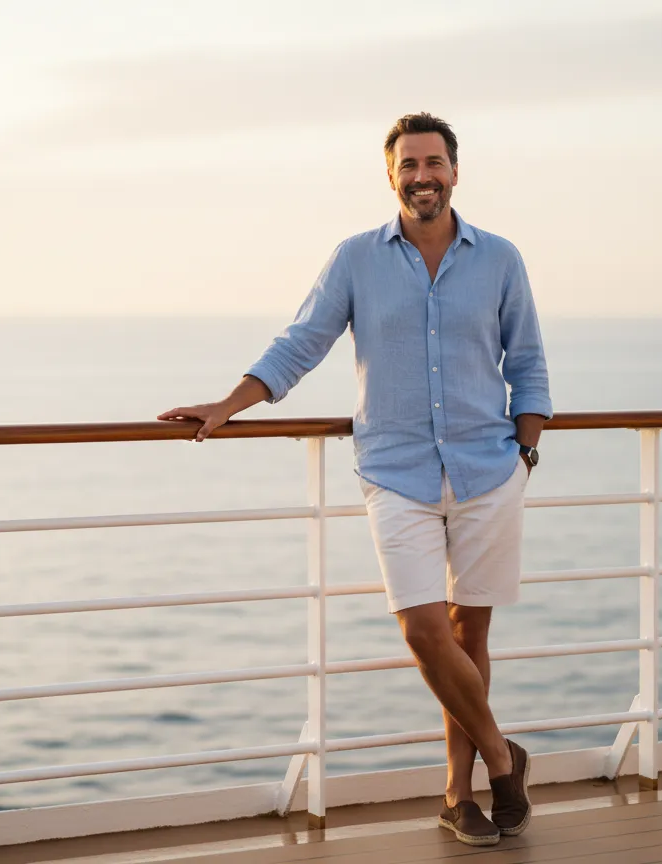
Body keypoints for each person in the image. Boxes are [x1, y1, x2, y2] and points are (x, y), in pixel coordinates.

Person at [158, 112, 551, 847]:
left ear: (456, 173)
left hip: (488, 469)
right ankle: (504, 756)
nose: (422, 176)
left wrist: (525, 453)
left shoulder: (500, 259)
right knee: (424, 629)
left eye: (434, 163)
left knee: (471, 635)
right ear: (391, 175)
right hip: (395, 471)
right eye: (409, 165)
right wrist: (227, 404)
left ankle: (457, 798)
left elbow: (527, 361)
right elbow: (301, 342)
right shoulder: (355, 259)